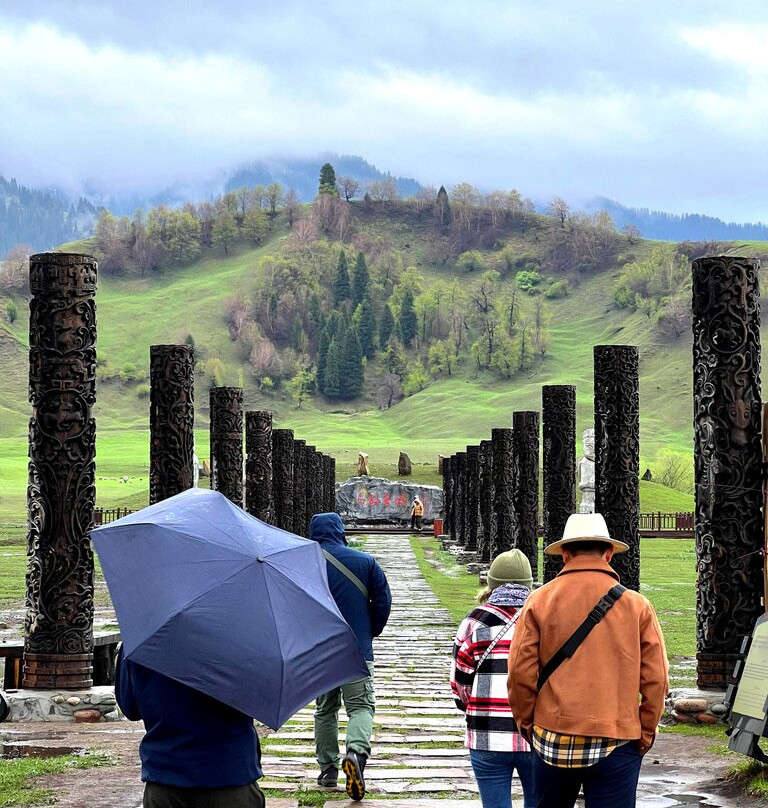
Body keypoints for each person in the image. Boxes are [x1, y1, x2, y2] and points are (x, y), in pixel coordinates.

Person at [507, 513, 669, 808]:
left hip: (553, 736)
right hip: (617, 738)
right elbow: (656, 679)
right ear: (608, 554)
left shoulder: (538, 601)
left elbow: (520, 673)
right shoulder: (637, 606)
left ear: (565, 555)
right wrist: (644, 731)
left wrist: (528, 724)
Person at [309, 512, 392, 801]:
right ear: (340, 531)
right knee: (361, 707)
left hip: (321, 650)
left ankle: (328, 769)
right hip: (357, 648)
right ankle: (355, 752)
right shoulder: (365, 562)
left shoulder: (304, 562)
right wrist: (370, 630)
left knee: (325, 709)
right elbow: (383, 601)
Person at [115, 647, 264, 808]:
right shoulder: (242, 641)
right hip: (231, 774)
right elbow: (261, 698)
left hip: (166, 777)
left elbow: (130, 707)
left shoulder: (141, 640)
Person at [451, 549, 537, 808]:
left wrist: (473, 705)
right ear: (529, 583)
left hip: (487, 733)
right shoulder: (544, 618)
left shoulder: (474, 622)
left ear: (491, 583)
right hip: (536, 733)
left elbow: (460, 682)